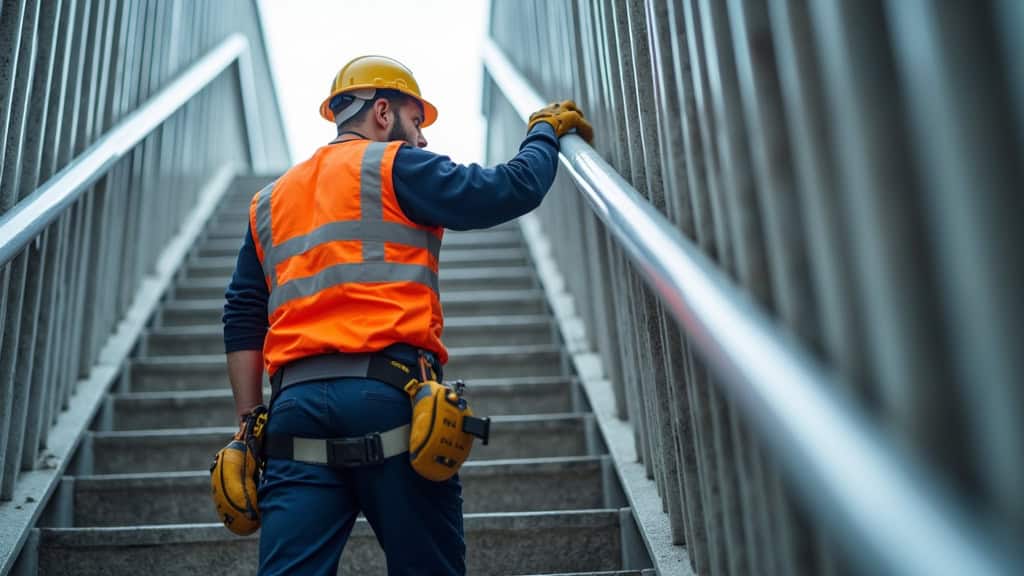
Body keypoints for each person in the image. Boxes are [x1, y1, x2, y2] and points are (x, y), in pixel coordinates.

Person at [221, 54, 592, 576]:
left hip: (294, 412)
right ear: (381, 112)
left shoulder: (269, 200)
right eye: (415, 120)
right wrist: (542, 132)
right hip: (388, 397)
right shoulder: (396, 165)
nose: (420, 138)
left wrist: (246, 423)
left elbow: (242, 313)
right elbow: (509, 189)